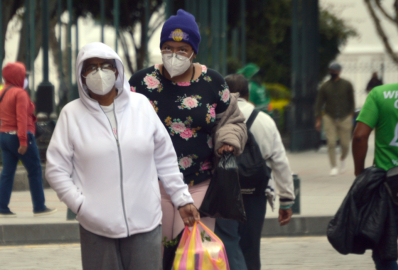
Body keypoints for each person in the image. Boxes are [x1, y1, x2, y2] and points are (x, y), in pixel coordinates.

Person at [45, 42, 200, 270]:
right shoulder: (71, 114)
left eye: (105, 65)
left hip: (145, 221)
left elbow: (165, 158)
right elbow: (55, 169)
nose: (99, 72)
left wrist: (182, 198)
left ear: (117, 70)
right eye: (91, 67)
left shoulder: (141, 107)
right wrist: (80, 206)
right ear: (82, 75)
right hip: (96, 226)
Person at [128, 9, 248, 269]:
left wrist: (227, 141)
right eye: (168, 47)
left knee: (193, 257)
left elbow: (231, 121)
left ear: (194, 50)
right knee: (155, 255)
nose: (174, 54)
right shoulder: (140, 83)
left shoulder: (213, 82)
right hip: (152, 186)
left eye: (182, 49)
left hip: (200, 185)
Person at [225, 73, 295, 270]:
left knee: (227, 244)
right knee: (251, 247)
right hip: (255, 192)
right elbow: (280, 161)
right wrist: (286, 200)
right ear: (248, 95)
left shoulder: (216, 117)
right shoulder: (265, 120)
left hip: (223, 191)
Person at [0, 62, 56, 218]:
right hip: (19, 135)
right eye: (23, 75)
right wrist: (22, 141)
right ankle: (39, 207)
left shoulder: (1, 93)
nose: (24, 78)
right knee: (35, 170)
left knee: (7, 173)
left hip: (4, 135)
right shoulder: (20, 93)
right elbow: (21, 118)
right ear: (17, 76)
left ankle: (2, 208)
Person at [353, 82, 398, 270]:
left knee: (384, 250)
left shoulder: (380, 94)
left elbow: (359, 136)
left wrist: (359, 172)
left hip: (389, 185)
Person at [314, 62, 355, 176]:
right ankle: (333, 166)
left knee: (345, 144)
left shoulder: (347, 84)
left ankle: (342, 158)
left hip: (344, 116)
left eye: (335, 70)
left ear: (339, 71)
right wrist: (318, 120)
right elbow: (319, 103)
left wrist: (351, 114)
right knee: (331, 142)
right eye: (331, 70)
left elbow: (352, 100)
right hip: (329, 116)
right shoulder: (325, 86)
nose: (333, 72)